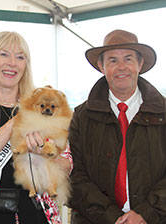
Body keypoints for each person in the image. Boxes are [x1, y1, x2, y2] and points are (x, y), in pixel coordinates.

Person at [0, 31, 72, 224]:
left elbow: (67, 165)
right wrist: (13, 125)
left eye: (20, 57)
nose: (12, 63)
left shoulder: (44, 107)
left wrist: (45, 152)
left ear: (26, 65)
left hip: (36, 215)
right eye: (4, 54)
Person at [68, 29, 166, 224]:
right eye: (112, 60)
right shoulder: (80, 117)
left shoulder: (164, 113)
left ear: (140, 64)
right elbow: (72, 174)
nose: (121, 67)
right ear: (101, 66)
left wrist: (146, 214)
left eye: (128, 59)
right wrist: (113, 218)